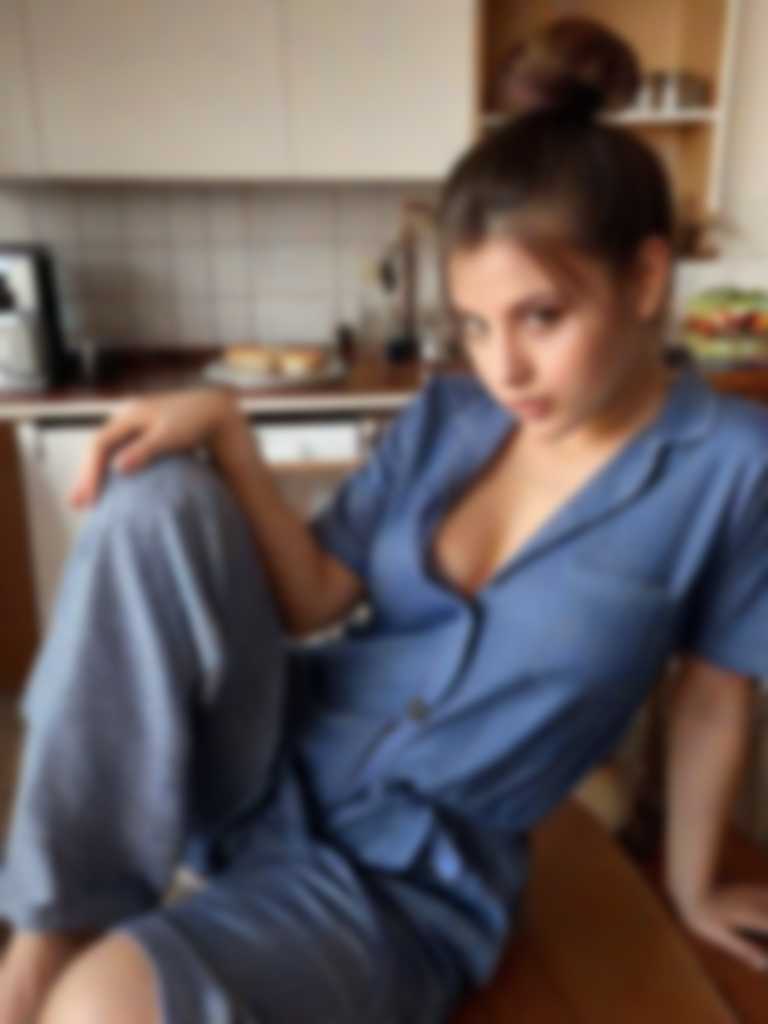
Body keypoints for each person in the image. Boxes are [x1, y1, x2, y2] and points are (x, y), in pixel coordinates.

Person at [2, 24, 768, 1024]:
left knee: (96, 1011)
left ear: (647, 278)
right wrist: (231, 436)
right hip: (269, 750)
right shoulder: (450, 417)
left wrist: (694, 889)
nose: (504, 367)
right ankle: (52, 920)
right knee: (160, 497)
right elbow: (316, 598)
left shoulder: (733, 466)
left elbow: (714, 698)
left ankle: (120, 945)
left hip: (406, 877)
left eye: (541, 316)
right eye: (476, 325)